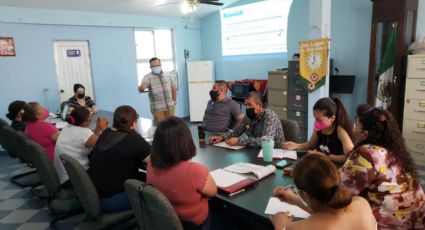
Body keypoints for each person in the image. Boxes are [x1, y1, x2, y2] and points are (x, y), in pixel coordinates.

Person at [340, 107, 425, 229]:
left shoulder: (366, 153)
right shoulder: (395, 151)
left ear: (365, 134)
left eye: (355, 127)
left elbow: (340, 193)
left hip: (389, 225)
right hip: (416, 223)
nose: (353, 131)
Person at [271, 154, 377, 230]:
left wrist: (280, 226)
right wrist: (295, 200)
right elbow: (328, 214)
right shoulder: (362, 203)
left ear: (305, 195)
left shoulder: (298, 227)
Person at [147, 116, 217, 228]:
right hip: (193, 224)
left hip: (163, 221)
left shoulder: (151, 162)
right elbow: (213, 192)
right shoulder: (194, 171)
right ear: (186, 141)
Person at [89, 105, 151, 213]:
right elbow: (157, 161)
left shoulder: (106, 133)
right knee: (158, 188)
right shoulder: (134, 139)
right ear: (134, 123)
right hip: (112, 199)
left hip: (94, 193)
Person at [282, 97, 354, 164]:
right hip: (319, 165)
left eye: (319, 119)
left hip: (334, 169)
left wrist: (323, 155)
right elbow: (311, 145)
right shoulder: (318, 128)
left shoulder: (340, 130)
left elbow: (350, 157)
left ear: (332, 118)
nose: (316, 122)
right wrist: (296, 145)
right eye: (315, 118)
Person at [53, 107, 109, 189]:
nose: (91, 122)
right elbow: (107, 146)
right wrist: (104, 128)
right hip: (75, 179)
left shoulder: (67, 128)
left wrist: (97, 128)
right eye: (90, 120)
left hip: (64, 176)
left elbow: (88, 139)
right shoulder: (84, 132)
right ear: (85, 122)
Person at [209, 91, 284, 147]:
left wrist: (239, 141)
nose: (247, 108)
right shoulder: (248, 117)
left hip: (274, 152)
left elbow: (265, 141)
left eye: (250, 105)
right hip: (255, 152)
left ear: (259, 105)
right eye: (246, 105)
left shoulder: (270, 116)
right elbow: (236, 131)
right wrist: (222, 137)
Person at [138, 57, 177, 123]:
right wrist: (141, 87)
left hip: (170, 107)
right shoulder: (147, 77)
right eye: (153, 66)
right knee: (160, 128)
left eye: (157, 65)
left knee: (171, 126)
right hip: (158, 109)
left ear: (160, 65)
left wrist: (174, 101)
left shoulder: (168, 75)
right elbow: (142, 88)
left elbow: (173, 88)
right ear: (150, 67)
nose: (156, 67)